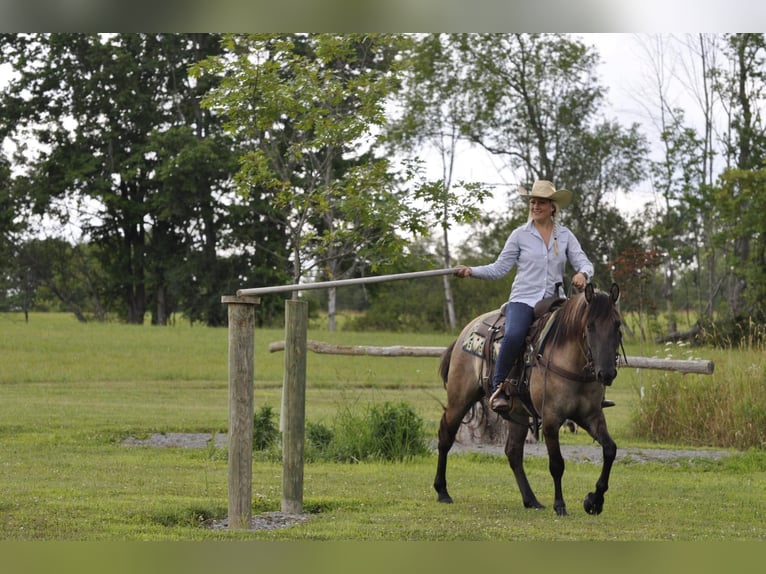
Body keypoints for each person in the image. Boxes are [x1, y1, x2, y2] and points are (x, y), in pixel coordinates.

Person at [454, 179, 594, 415]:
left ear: (552, 207)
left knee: (583, 333)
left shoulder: (565, 235)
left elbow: (584, 262)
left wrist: (583, 273)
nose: (535, 206)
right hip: (524, 300)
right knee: (515, 334)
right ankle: (499, 387)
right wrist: (471, 271)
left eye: (540, 202)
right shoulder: (520, 235)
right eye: (532, 202)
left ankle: (582, 392)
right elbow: (499, 268)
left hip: (554, 302)